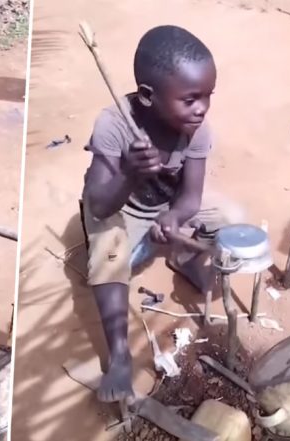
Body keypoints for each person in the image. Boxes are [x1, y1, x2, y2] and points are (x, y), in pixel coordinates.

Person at [80, 25, 244, 404]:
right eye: (190, 99)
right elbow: (100, 205)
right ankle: (120, 354)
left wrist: (173, 219)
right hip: (119, 208)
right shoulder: (113, 125)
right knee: (108, 253)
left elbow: (190, 198)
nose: (201, 108)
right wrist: (131, 172)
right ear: (148, 96)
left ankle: (184, 258)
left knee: (229, 218)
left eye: (207, 96)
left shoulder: (196, 130)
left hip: (163, 208)